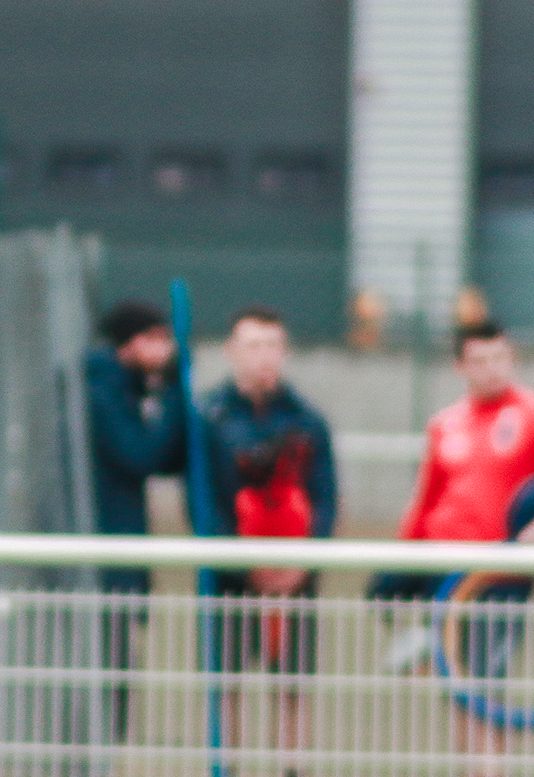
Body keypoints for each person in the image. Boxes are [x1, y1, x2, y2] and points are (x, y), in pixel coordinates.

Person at [397, 320, 534, 767]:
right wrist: (399, 562)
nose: (491, 369)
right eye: (479, 360)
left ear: (511, 358)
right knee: (458, 687)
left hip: (500, 575)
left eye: (498, 357)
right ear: (461, 365)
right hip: (445, 574)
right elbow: (426, 500)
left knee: (485, 682)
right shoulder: (445, 424)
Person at [200, 306, 337, 769]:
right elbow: (202, 504)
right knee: (226, 686)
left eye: (273, 345)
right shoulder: (209, 420)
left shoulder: (308, 421)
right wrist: (244, 565)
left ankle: (292, 767)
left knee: (293, 687)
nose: (265, 357)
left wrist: (300, 565)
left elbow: (326, 500)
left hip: (296, 582)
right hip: (231, 580)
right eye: (254, 346)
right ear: (231, 352)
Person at [85, 299, 187, 740]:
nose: (167, 349)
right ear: (130, 344)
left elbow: (161, 456)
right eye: (157, 338)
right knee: (103, 672)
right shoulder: (103, 393)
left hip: (114, 556)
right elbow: (140, 455)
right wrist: (176, 391)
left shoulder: (122, 389)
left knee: (116, 671)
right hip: (102, 558)